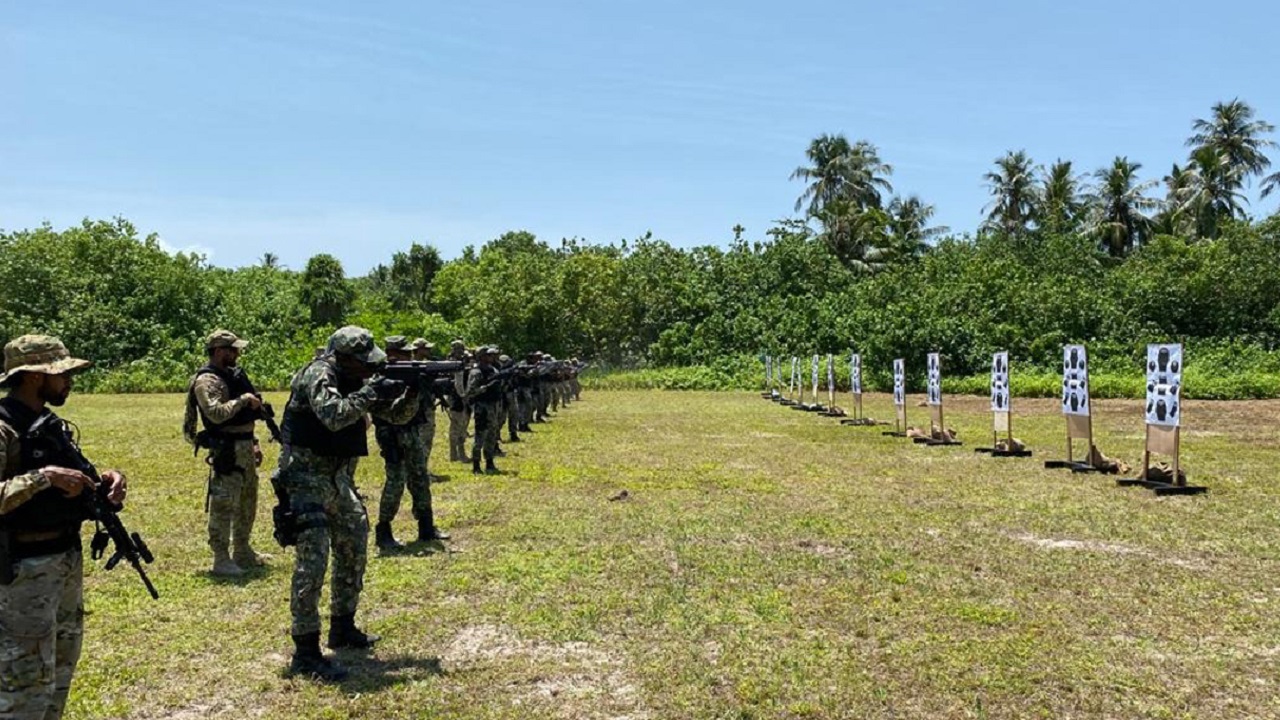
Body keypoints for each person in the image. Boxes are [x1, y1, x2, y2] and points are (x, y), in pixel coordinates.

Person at [275, 326, 415, 682]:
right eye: (364, 364)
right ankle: (305, 651)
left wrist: (415, 393)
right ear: (344, 357)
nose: (370, 369)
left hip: (338, 480)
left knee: (354, 548)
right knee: (313, 560)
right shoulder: (318, 373)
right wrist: (371, 391)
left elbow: (395, 416)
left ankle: (343, 626)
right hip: (307, 478)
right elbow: (335, 415)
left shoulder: (357, 380)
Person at [0, 334, 128, 719]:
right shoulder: (4, 427)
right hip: (23, 571)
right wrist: (43, 478)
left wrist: (108, 480)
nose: (69, 381)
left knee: (59, 671)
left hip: (63, 561)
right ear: (36, 377)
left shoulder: (47, 423)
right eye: (62, 374)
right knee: (23, 682)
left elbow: (72, 477)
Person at [183, 330, 268, 577]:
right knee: (223, 503)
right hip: (227, 450)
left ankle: (243, 549)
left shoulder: (231, 376)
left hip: (244, 446)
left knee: (247, 500)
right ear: (219, 351)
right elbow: (215, 414)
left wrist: (253, 442)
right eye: (233, 350)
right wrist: (242, 400)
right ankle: (221, 558)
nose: (237, 354)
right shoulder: (207, 381)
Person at [373, 337, 448, 552]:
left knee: (420, 478)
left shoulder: (407, 376)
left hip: (412, 432)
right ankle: (384, 530)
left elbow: (415, 412)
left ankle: (426, 526)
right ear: (392, 355)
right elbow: (398, 414)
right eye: (404, 354)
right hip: (392, 436)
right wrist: (412, 390)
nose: (409, 357)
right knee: (396, 482)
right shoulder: (379, 381)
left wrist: (426, 386)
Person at [465, 346, 504, 474]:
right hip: (482, 407)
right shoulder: (476, 372)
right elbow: (470, 391)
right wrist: (485, 387)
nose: (491, 357)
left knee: (492, 435)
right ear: (481, 356)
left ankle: (489, 462)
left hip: (494, 405)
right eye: (488, 355)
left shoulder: (493, 369)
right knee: (480, 436)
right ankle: (476, 465)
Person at [445, 340, 471, 463]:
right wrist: (463, 396)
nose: (461, 351)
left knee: (463, 425)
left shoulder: (462, 361)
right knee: (457, 425)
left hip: (462, 396)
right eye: (459, 349)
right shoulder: (451, 363)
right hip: (456, 397)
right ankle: (455, 454)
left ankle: (459, 453)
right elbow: (457, 382)